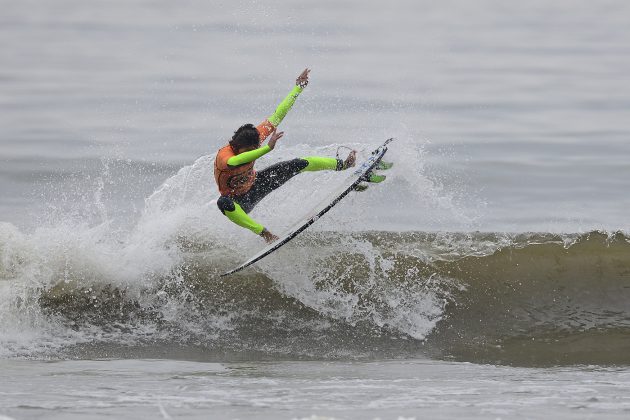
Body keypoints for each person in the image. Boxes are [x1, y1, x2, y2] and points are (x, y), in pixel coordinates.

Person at [214, 68, 357, 243]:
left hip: (257, 185)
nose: (252, 155)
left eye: (254, 150)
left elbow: (278, 115)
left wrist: (298, 88)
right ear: (237, 146)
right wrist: (267, 149)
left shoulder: (255, 137)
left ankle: (343, 165)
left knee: (298, 163)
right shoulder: (225, 155)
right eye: (249, 152)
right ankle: (266, 234)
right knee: (223, 203)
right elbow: (236, 161)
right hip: (238, 202)